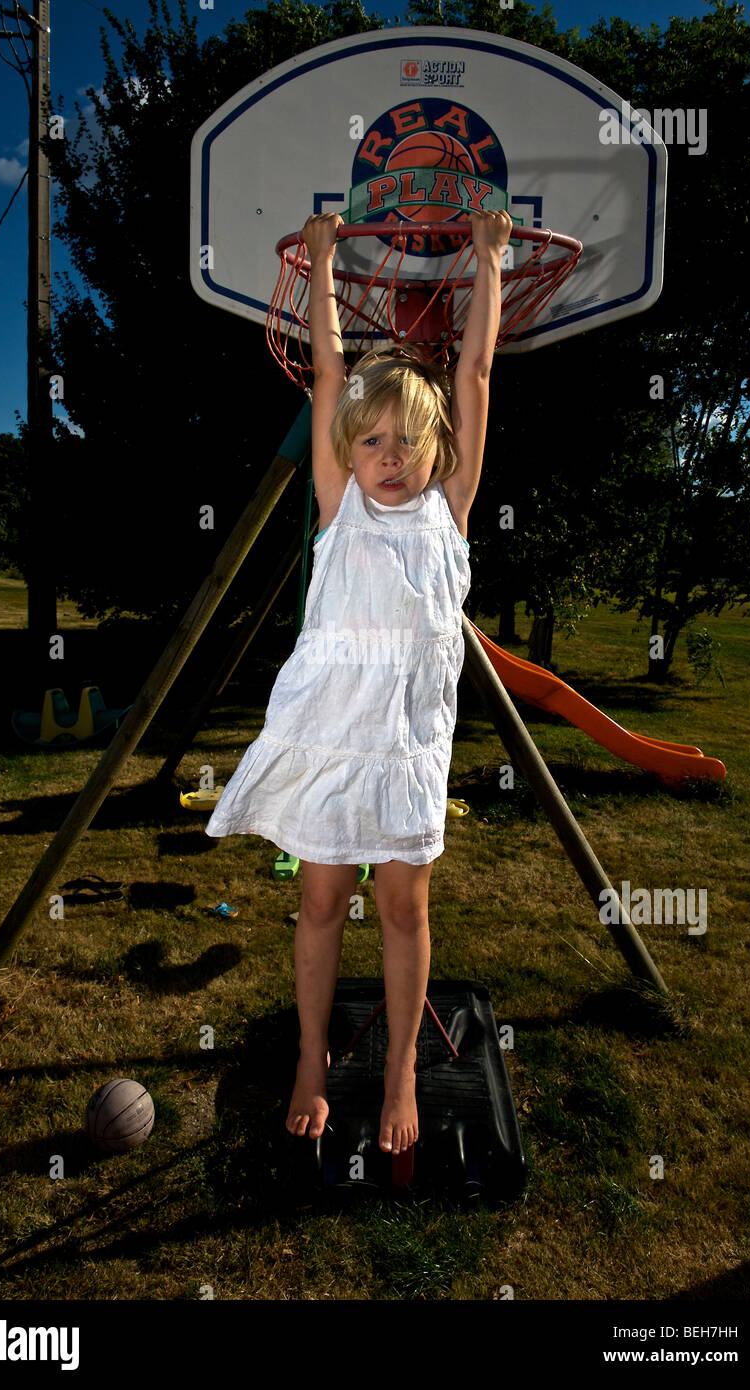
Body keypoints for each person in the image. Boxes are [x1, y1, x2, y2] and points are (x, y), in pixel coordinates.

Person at [205, 207, 510, 1156]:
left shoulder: (449, 515)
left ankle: (402, 1069)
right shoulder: (338, 510)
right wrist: (326, 261)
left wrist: (490, 260)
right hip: (332, 743)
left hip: (408, 751)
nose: (386, 457)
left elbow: (474, 372)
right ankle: (309, 1058)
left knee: (403, 910)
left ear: (437, 455)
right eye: (369, 442)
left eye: (404, 444)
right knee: (321, 902)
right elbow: (331, 374)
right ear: (348, 450)